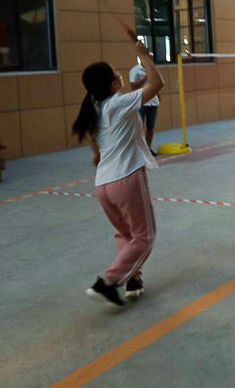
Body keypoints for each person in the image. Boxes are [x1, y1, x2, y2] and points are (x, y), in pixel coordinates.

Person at [72, 41, 164, 307]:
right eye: (116, 73)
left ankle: (133, 280)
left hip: (103, 184)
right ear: (113, 85)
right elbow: (157, 84)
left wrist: (97, 154)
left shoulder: (94, 107)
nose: (120, 74)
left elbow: (93, 139)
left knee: (126, 234)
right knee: (144, 238)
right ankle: (108, 281)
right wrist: (144, 57)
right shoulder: (119, 103)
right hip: (127, 179)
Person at [129, 54, 159, 156]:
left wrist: (158, 95)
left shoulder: (153, 70)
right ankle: (138, 151)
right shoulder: (135, 70)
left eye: (152, 59)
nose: (150, 61)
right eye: (149, 59)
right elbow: (133, 86)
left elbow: (156, 84)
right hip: (141, 102)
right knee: (139, 127)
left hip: (153, 102)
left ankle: (147, 149)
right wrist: (146, 77)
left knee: (150, 127)